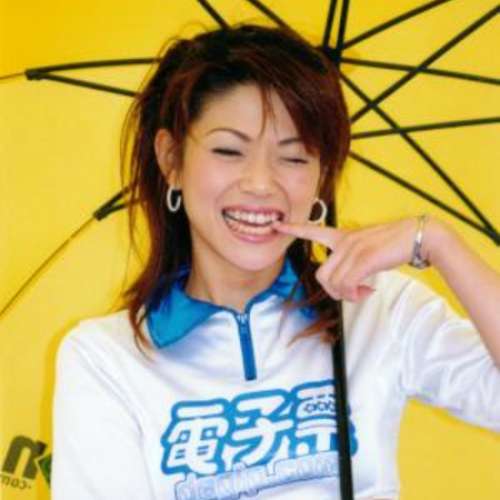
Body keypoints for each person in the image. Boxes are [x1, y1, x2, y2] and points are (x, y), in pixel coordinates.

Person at [51, 24, 500, 500]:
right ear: (171, 159)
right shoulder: (106, 358)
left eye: (295, 157)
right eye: (229, 150)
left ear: (323, 173)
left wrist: (437, 242)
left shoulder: (375, 306)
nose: (261, 184)